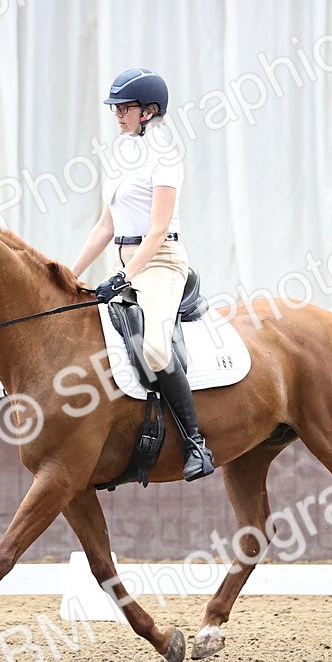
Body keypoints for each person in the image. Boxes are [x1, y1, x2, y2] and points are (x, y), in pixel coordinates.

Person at [71, 67, 214, 482]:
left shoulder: (165, 157)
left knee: (154, 350)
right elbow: (105, 226)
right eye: (115, 108)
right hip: (125, 260)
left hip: (160, 262)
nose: (117, 114)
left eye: (125, 108)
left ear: (148, 112)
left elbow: (157, 229)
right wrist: (68, 273)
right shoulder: (120, 155)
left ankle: (194, 443)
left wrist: (125, 276)